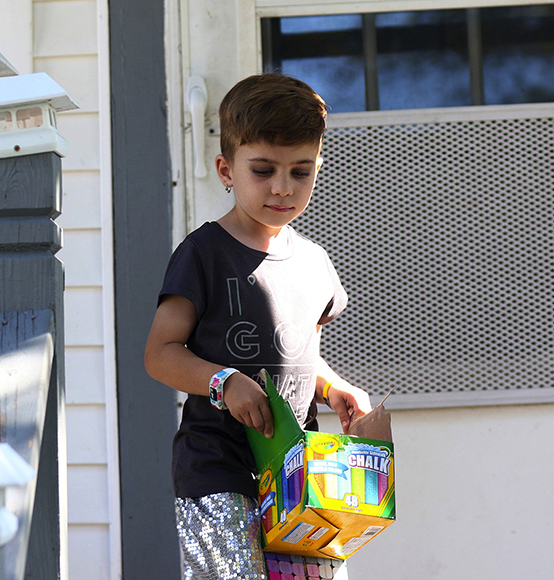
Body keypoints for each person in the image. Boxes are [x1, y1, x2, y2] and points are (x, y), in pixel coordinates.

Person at [145, 73, 387, 579]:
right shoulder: (203, 254)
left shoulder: (315, 262)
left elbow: (302, 354)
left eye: (301, 171)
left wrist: (335, 387)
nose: (283, 187)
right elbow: (161, 353)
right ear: (225, 169)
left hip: (300, 477)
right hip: (218, 472)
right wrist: (224, 381)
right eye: (263, 169)